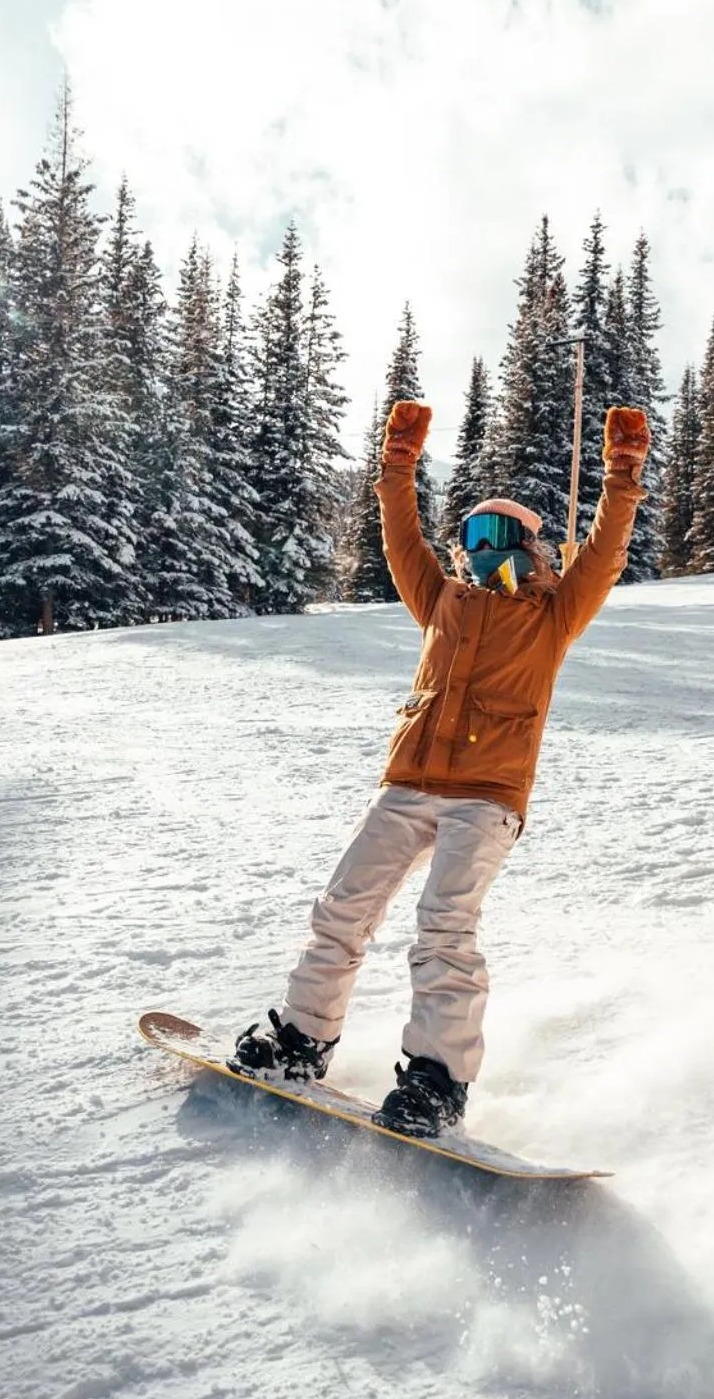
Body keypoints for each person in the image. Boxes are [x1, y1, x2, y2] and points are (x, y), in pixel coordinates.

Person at [233, 398, 651, 1137]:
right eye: (472, 534)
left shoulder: (555, 613)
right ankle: (302, 1039)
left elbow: (606, 551)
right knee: (343, 909)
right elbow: (401, 543)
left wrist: (622, 474)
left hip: (486, 797)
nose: (482, 547)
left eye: (500, 533)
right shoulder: (443, 602)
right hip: (407, 782)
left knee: (444, 927)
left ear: (533, 546)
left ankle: (438, 1080)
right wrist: (398, 464)